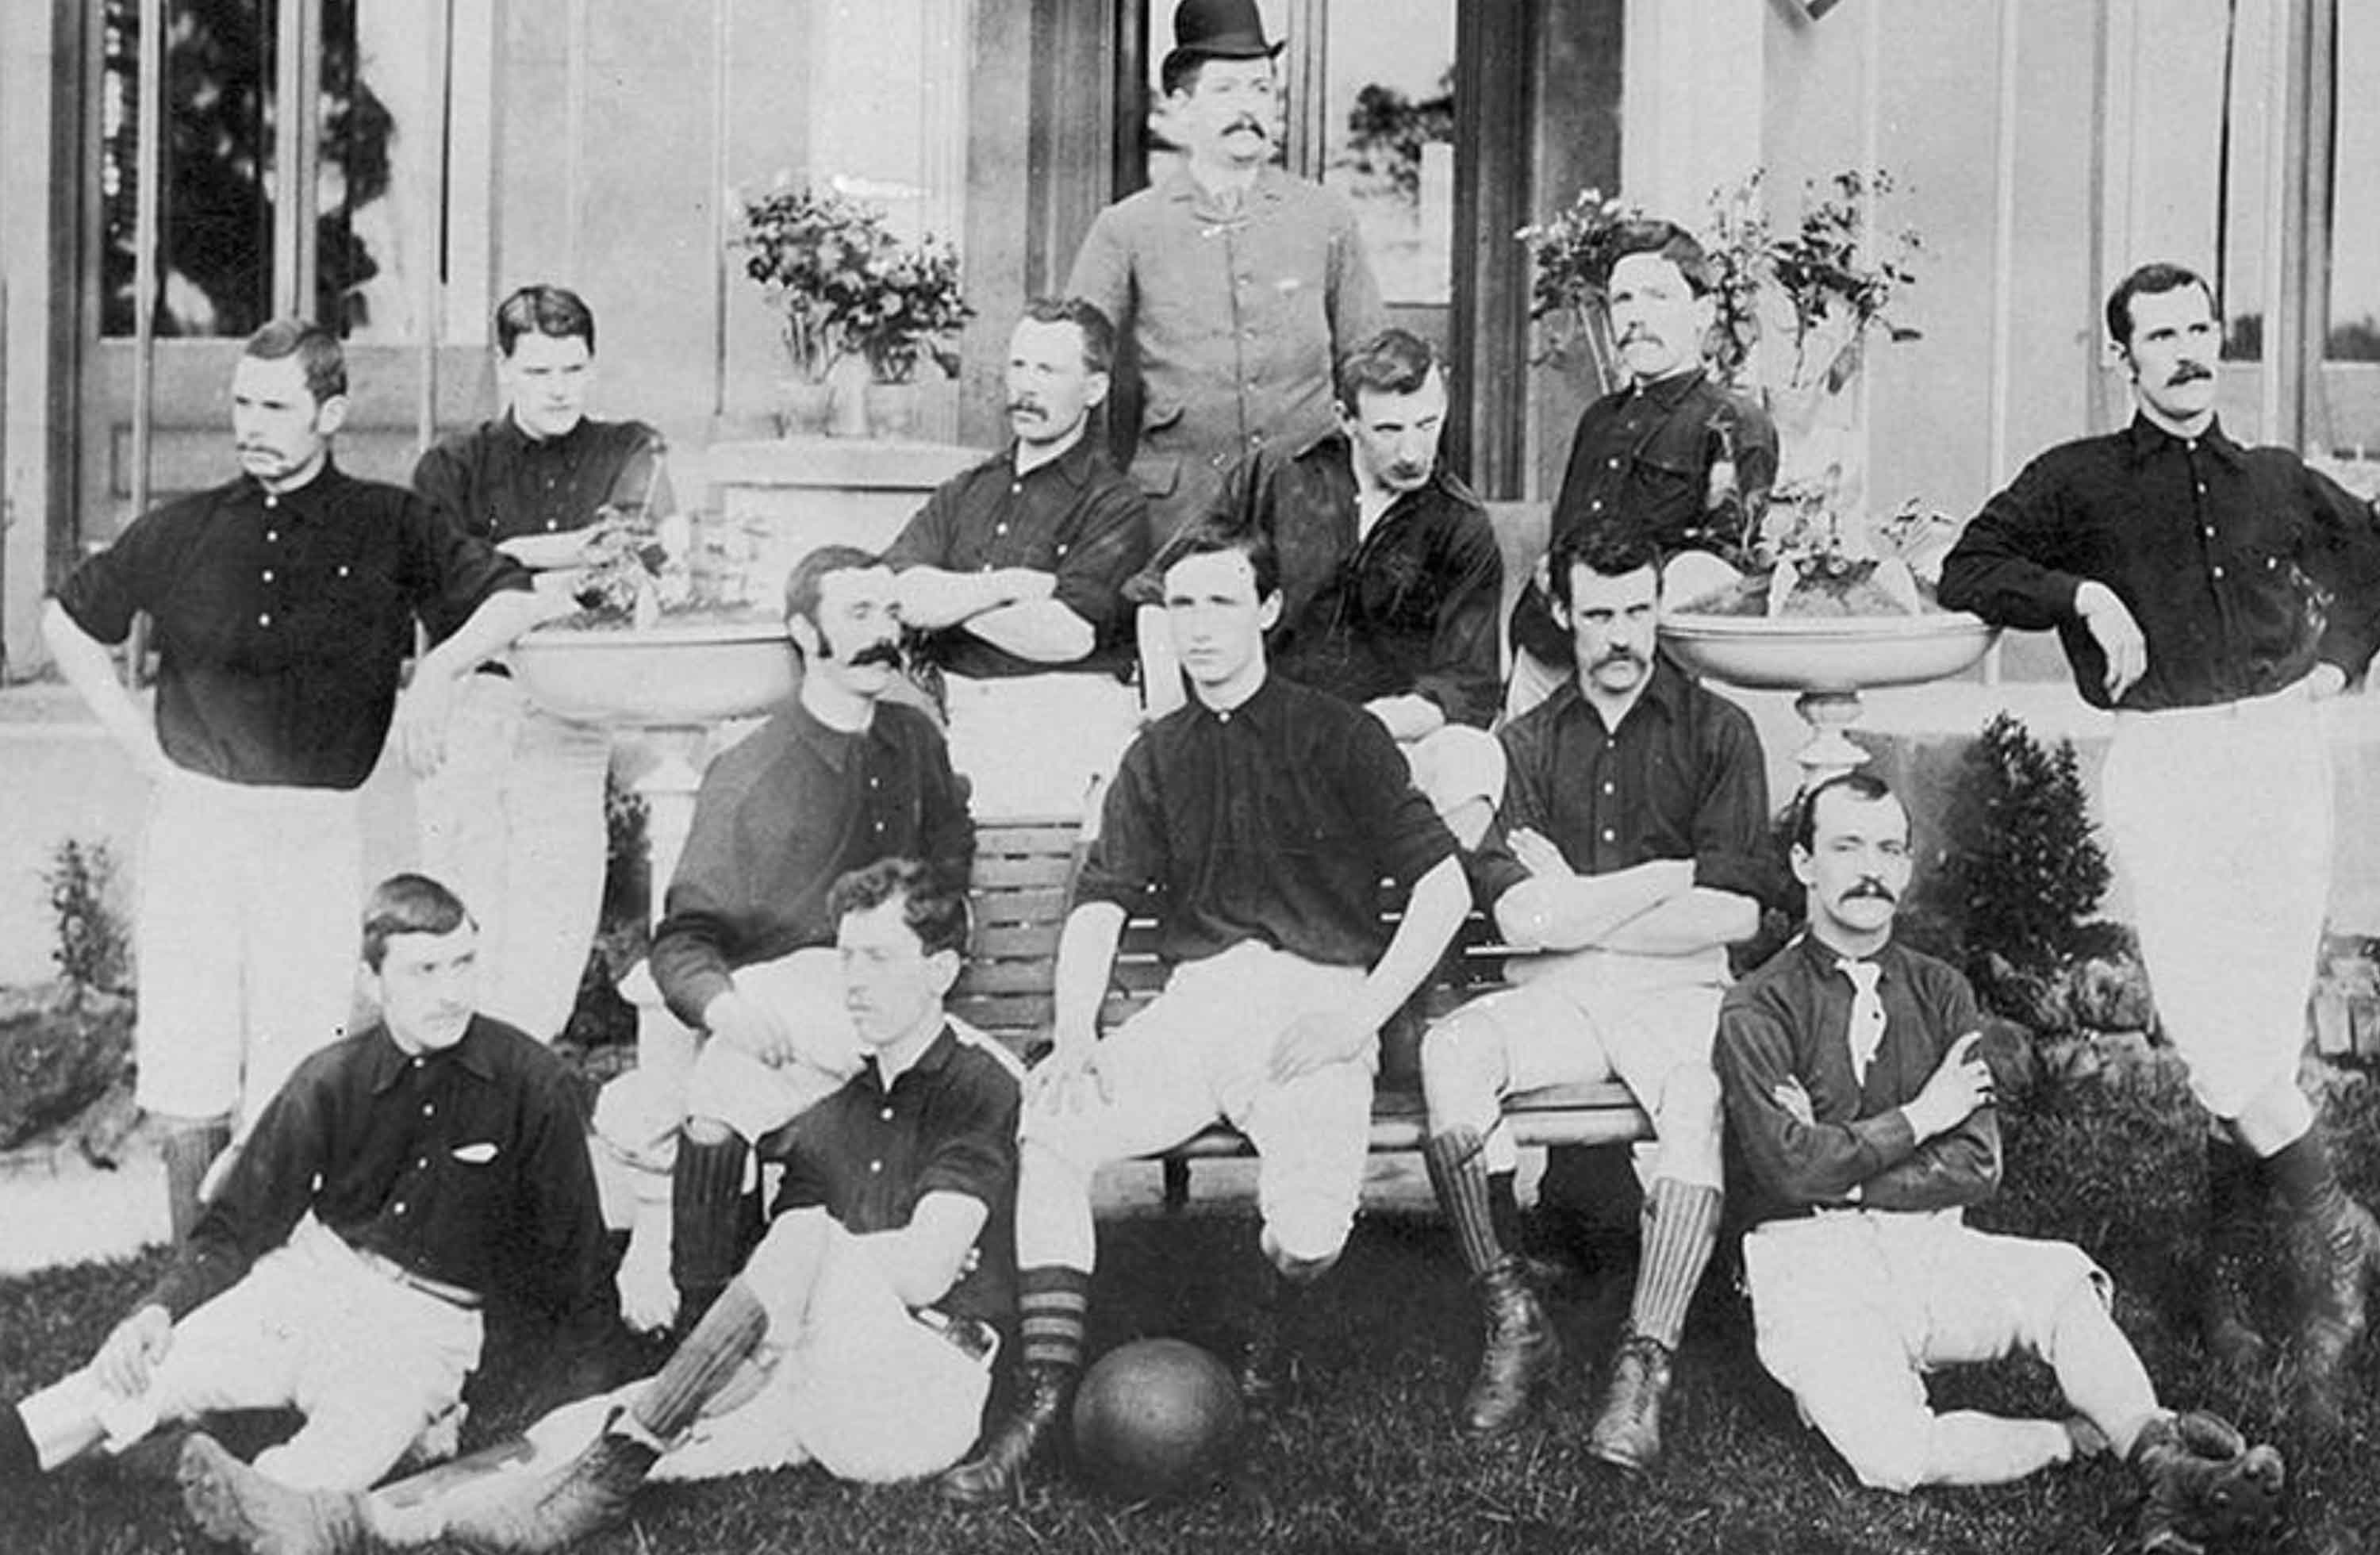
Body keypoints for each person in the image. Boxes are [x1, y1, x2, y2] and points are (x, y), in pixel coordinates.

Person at [177, 858, 1024, 1555]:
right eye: (844, 956)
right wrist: (693, 1383)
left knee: (799, 1239)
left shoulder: (976, 1085)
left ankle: (616, 1467)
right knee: (573, 1426)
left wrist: (798, 1274)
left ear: (942, 970)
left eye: (878, 958)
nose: (852, 981)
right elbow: (781, 1324)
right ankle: (335, 1515)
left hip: (925, 1393)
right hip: (821, 1388)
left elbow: (925, 1263)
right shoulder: (824, 1118)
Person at [937, 522, 1471, 1506]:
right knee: (1052, 1125)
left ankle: (1263, 1329)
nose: (1203, 626)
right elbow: (1100, 902)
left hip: (1310, 1009)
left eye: (1225, 601)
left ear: (1267, 609)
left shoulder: (1337, 732)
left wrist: (1358, 1017)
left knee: (1311, 1234)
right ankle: (1045, 1396)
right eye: (1183, 605)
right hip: (1195, 1007)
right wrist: (1080, 1031)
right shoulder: (1154, 754)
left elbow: (1445, 891)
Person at [1937, 261, 2380, 1426]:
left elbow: (2371, 559)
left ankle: (2230, 1293)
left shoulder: (2276, 479)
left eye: (2201, 331)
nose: (2189, 352)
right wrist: (2084, 595)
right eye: (2162, 336)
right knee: (2210, 1025)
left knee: (2262, 1029)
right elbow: (1968, 565)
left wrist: (2339, 667)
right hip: (2171, 765)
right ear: (2119, 357)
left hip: (2281, 761)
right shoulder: (2079, 481)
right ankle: (2336, 1241)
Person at [40, 320, 555, 1242]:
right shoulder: (188, 527)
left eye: (275, 406)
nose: (251, 423)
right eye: (241, 402)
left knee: (299, 1054)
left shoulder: (389, 522)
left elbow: (512, 593)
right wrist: (137, 747)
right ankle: (191, 1276)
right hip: (200, 820)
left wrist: (436, 670)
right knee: (189, 1058)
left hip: (317, 827)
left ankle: (272, 1273)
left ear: (331, 412)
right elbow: (67, 621)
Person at [1716, 773, 2286, 1553]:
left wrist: (1837, 1158)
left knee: (2059, 1282)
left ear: (1909, 867)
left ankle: (2159, 1458)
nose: (1870, 867)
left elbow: (1976, 1163)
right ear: (1805, 862)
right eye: (1846, 846)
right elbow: (1784, 1170)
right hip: (1814, 1265)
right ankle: (2073, 1438)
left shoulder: (1942, 990)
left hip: (1932, 1244)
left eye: (1889, 847)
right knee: (1894, 1455)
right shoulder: (1756, 1004)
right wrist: (1923, 1116)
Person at [0, 875, 612, 1498]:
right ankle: (26, 1449)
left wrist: (580, 1412)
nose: (451, 993)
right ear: (373, 982)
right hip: (307, 1286)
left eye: (463, 965)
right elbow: (238, 1226)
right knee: (136, 1377)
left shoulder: (532, 1084)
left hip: (424, 1329)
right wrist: (157, 1310)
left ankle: (240, 1497)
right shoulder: (331, 1078)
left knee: (337, 1463)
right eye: (424, 971)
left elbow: (580, 1266)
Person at [1419, 518, 1770, 1467]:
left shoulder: (1719, 730)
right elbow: (1524, 921)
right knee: (1451, 1051)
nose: (1622, 635)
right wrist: (1672, 873)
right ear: (1562, 613)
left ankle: (1641, 1364)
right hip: (1562, 992)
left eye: (1640, 611)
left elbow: (1736, 915)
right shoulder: (1524, 743)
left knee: (1695, 1095)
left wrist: (1578, 899)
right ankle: (1513, 1317)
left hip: (1677, 991)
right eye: (1601, 613)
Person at [627, 545, 974, 1335]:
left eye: (891, 612)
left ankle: (918, 1325)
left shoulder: (915, 745)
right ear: (802, 631)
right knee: (725, 1079)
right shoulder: (751, 770)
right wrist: (725, 1010)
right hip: (789, 1014)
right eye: (858, 614)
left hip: (898, 999)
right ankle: (708, 1334)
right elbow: (682, 940)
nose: (883, 632)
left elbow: (951, 862)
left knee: (985, 1089)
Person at [412, 284, 673, 1042]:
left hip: (573, 718)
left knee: (552, 931)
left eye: (573, 370)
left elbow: (635, 571)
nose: (559, 390)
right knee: (458, 928)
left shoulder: (628, 448)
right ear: (504, 369)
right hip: (476, 713)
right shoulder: (454, 466)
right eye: (539, 374)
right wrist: (559, 563)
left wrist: (506, 560)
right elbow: (441, 595)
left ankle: (517, 1112)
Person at [1135, 328, 1506, 844]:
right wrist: (1172, 724)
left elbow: (1466, 689)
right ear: (1344, 419)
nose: (1412, 452)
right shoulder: (1274, 475)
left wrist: (1347, 729)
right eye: (1388, 429)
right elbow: (1159, 595)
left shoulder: (1461, 526)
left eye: (1428, 424)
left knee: (1471, 758)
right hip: (1244, 732)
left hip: (1379, 746)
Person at [1067, 0, 1387, 536]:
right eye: (1226, 90)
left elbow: (1371, 366)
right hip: (1176, 516)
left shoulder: (1326, 218)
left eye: (1261, 89)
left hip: (1310, 509)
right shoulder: (1127, 227)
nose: (1248, 109)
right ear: (1181, 106)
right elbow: (1074, 368)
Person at [884, 298, 1150, 816]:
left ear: (1094, 389)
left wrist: (947, 605)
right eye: (1018, 365)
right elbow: (898, 592)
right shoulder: (967, 490)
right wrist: (1007, 584)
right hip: (949, 705)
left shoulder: (1114, 503)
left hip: (1050, 720)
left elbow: (1065, 635)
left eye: (1048, 370)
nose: (1026, 386)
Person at [1506, 220, 1777, 716]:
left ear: (1701, 313)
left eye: (1657, 297)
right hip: (1546, 654)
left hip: (1643, 673)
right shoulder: (1599, 418)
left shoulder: (1733, 422)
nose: (1635, 316)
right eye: (1623, 300)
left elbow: (1719, 578)